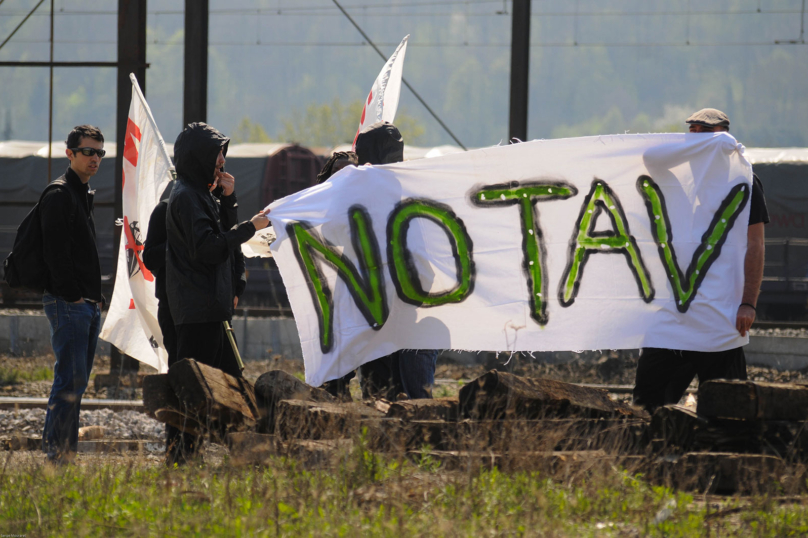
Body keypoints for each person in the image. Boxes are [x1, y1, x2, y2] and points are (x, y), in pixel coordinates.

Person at [632, 108, 769, 413]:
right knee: (646, 404)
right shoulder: (681, 176)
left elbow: (756, 245)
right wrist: (695, 145)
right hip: (676, 315)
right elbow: (651, 159)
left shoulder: (745, 181)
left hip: (720, 317)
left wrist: (749, 303)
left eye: (704, 132)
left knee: (730, 411)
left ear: (722, 136)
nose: (695, 137)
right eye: (691, 130)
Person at [164, 122, 269, 465]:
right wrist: (250, 227)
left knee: (230, 385)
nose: (222, 161)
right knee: (196, 389)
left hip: (210, 309)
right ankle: (183, 458)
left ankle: (245, 453)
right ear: (199, 158)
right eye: (216, 154)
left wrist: (230, 202)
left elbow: (222, 240)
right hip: (199, 311)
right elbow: (209, 249)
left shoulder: (199, 194)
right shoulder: (187, 197)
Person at [353, 121, 439, 400]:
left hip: (391, 313)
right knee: (406, 394)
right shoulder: (411, 192)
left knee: (392, 394)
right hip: (399, 312)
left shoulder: (364, 197)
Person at [40, 125, 106, 464]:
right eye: (88, 151)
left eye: (99, 152)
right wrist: (74, 297)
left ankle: (64, 452)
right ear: (70, 154)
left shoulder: (81, 194)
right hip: (70, 304)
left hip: (85, 305)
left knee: (76, 382)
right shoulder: (60, 194)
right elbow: (56, 253)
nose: (95, 157)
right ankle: (57, 454)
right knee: (69, 380)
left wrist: (91, 300)